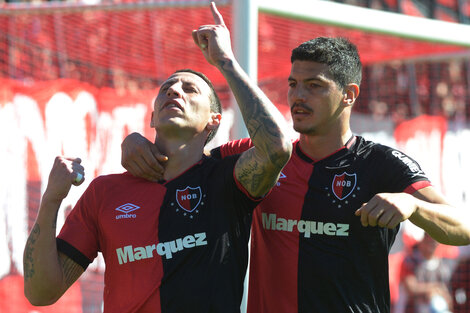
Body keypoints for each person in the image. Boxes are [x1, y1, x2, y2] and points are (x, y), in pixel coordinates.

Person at [121, 37, 470, 312]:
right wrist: (136, 142)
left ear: (349, 94)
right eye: (293, 84)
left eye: (314, 85)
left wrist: (413, 206)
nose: (298, 96)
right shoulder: (261, 159)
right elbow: (184, 161)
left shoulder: (381, 164)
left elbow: (463, 228)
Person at [22, 3, 292, 313]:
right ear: (151, 118)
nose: (175, 91)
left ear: (214, 120)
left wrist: (225, 61)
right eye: (167, 88)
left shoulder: (229, 178)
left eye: (190, 89)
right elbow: (41, 293)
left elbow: (277, 147)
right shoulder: (104, 192)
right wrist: (51, 199)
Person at [400, 233, 455, 313]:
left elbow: (448, 295)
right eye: (428, 240)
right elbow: (411, 288)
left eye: (433, 241)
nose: (431, 243)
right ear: (422, 240)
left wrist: (443, 296)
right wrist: (434, 288)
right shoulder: (410, 261)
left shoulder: (443, 265)